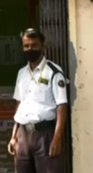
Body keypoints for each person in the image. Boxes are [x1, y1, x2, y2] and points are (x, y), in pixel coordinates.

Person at [7, 28, 69, 173]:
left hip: (45, 135)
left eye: (34, 45)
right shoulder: (22, 73)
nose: (30, 49)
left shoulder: (53, 72)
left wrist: (57, 137)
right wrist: (13, 136)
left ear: (43, 47)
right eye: (26, 46)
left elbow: (62, 105)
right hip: (23, 135)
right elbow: (19, 104)